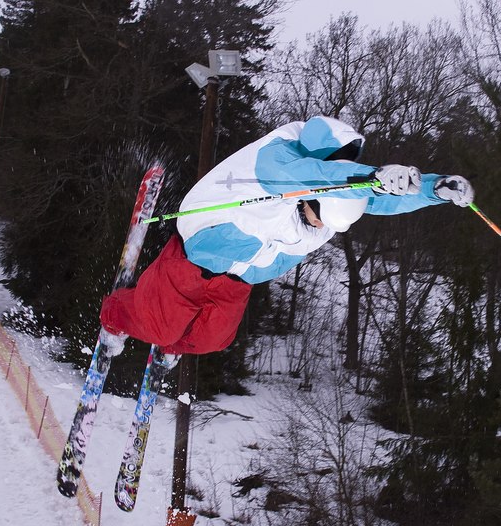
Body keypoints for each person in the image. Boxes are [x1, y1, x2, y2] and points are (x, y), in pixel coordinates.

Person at [98, 115, 474, 359]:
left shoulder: (329, 204)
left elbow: (371, 198)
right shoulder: (273, 163)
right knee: (158, 324)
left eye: (324, 226)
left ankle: (170, 342)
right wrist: (373, 174)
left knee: (214, 340)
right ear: (311, 196)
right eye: (315, 217)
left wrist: (433, 189)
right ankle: (115, 315)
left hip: (238, 280)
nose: (317, 227)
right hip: (195, 261)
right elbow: (314, 175)